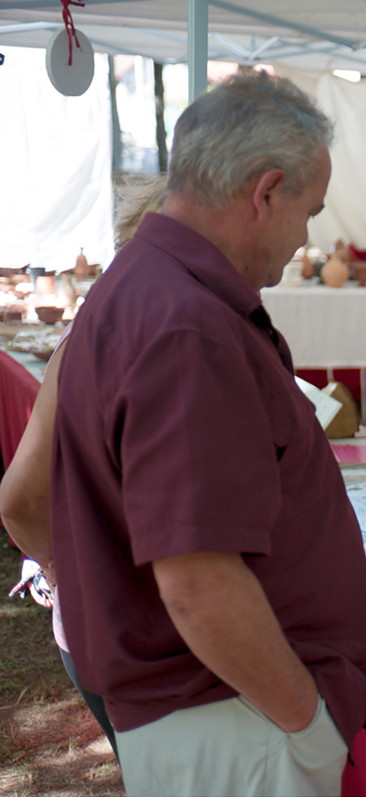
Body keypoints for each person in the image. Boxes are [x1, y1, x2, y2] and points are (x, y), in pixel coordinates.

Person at [47, 70, 366, 796]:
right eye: (309, 212)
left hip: (221, 709)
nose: (306, 239)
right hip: (234, 719)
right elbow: (197, 580)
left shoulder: (148, 283)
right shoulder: (186, 326)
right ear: (266, 193)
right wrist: (306, 723)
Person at [0, 174, 169, 761]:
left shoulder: (115, 326)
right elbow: (19, 501)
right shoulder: (130, 335)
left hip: (114, 625)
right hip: (133, 634)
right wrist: (66, 568)